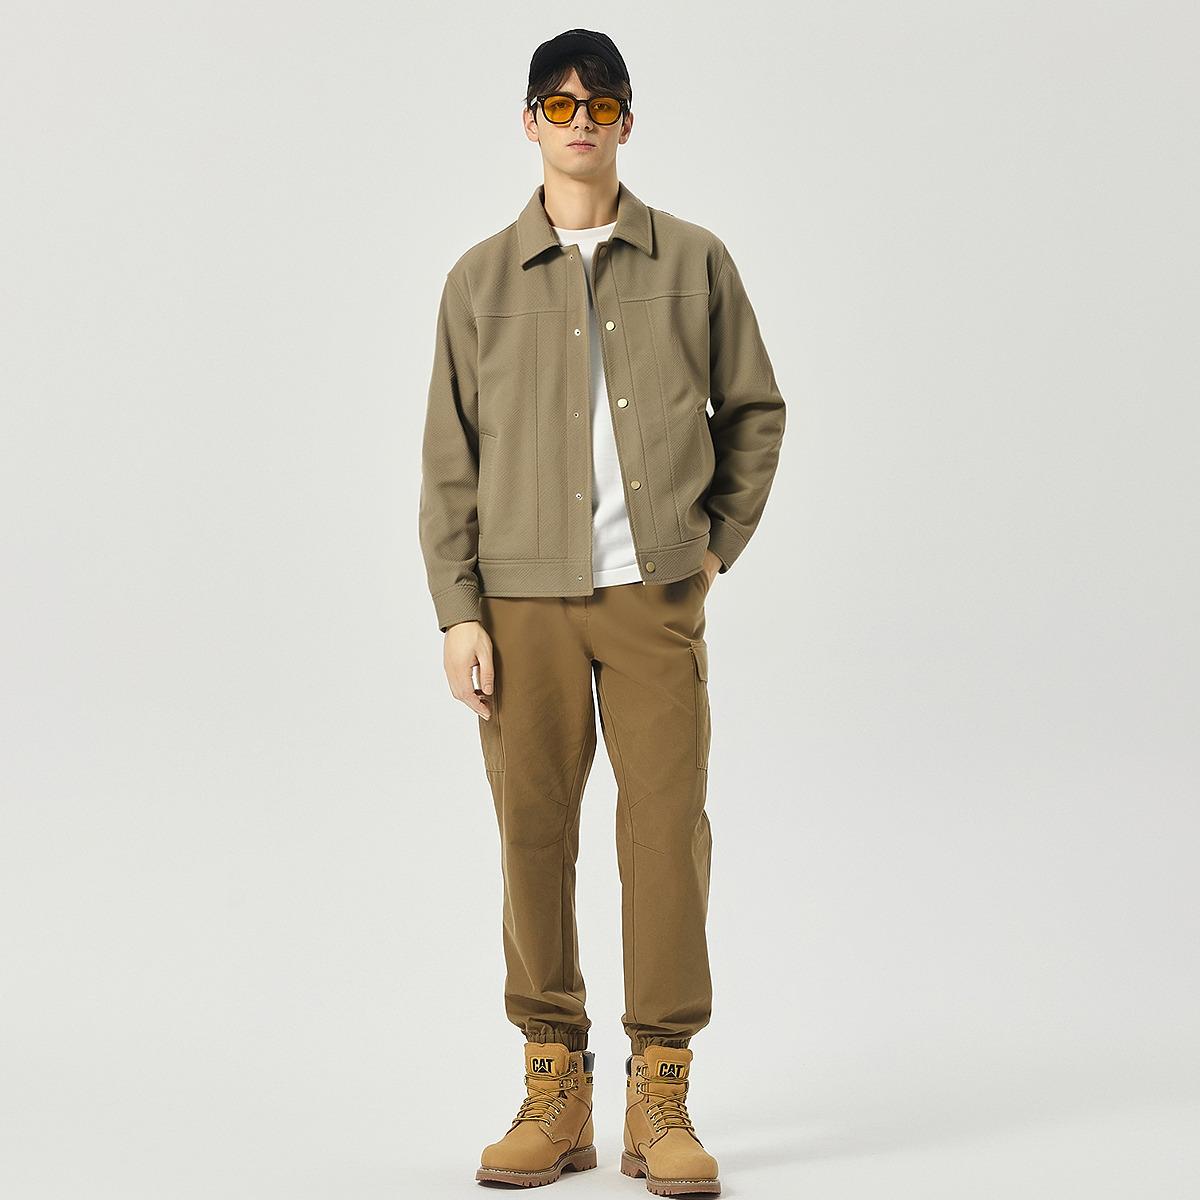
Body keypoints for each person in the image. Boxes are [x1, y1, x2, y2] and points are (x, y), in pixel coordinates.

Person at [418, 28, 786, 1194]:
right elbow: (449, 462)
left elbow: (756, 412)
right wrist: (459, 611)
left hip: (651, 598)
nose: (582, 122)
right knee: (532, 833)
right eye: (561, 104)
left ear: (629, 119)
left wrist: (713, 548)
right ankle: (554, 1086)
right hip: (519, 604)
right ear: (529, 120)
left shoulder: (696, 261)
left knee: (665, 831)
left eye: (603, 104)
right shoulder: (479, 281)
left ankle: (659, 1093)